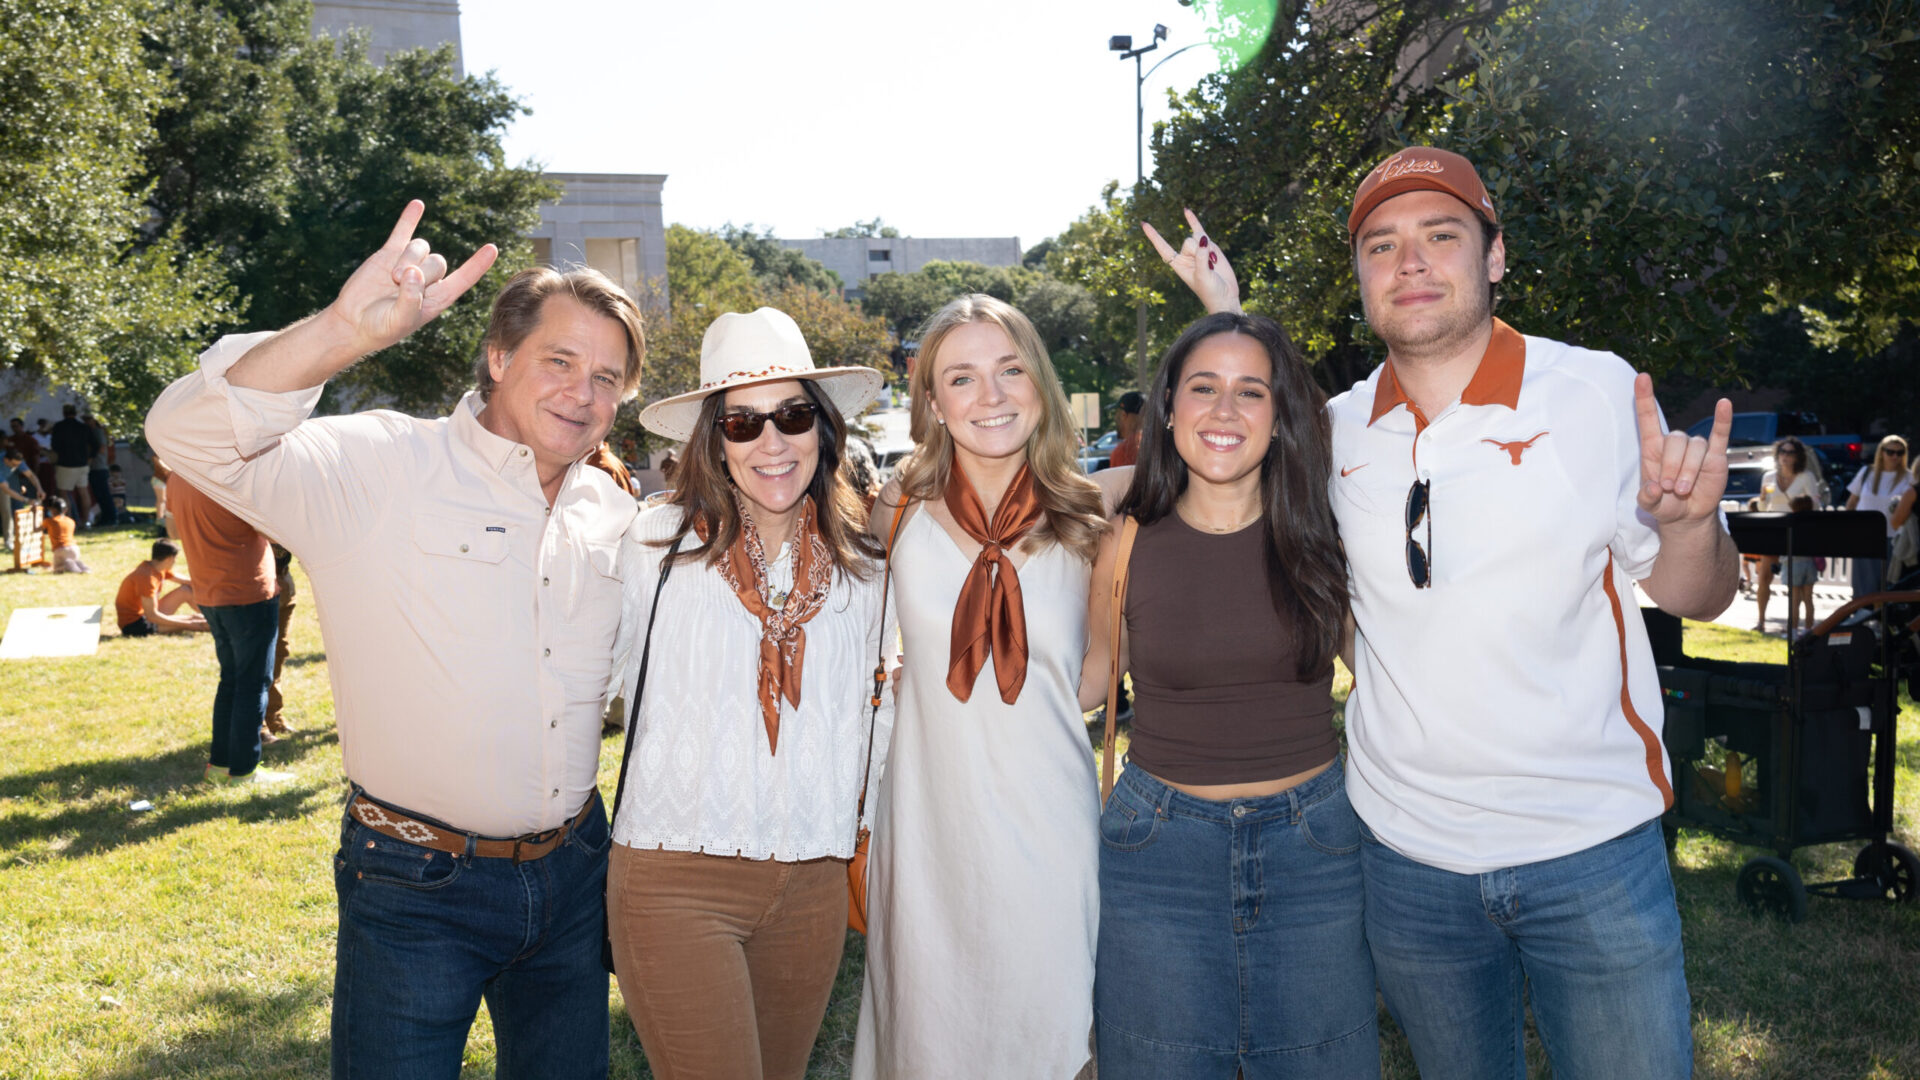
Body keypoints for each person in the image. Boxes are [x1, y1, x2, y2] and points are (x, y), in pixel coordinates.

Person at [1153, 145, 1738, 1078]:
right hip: (1405, 860)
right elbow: (1228, 425)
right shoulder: (1337, 430)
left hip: (1588, 851)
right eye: (1382, 246)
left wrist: (1693, 526)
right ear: (1361, 279)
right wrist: (1223, 312)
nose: (1411, 262)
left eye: (1441, 236)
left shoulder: (1591, 394)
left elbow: (1694, 593)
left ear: (1495, 256)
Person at [145, 200, 645, 1079]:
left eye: (608, 378)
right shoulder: (381, 465)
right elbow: (184, 434)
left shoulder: (611, 508)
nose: (583, 392)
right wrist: (342, 333)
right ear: (498, 358)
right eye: (560, 360)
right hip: (416, 885)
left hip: (574, 877)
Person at [1084, 313, 1377, 1077]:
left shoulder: (1327, 538)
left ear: (1280, 420)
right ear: (1168, 407)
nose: (1223, 411)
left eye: (1252, 392)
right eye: (1203, 388)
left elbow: (1397, 671)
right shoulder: (1124, 541)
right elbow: (1089, 678)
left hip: (1315, 850)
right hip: (1158, 857)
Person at [606, 307, 891, 1080]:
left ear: (822, 431)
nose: (772, 442)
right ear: (713, 441)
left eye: (792, 416)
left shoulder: (868, 568)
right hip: (674, 877)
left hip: (814, 880)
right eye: (743, 424)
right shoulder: (645, 547)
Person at [853, 293, 1128, 1079]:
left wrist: (1221, 308)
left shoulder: (1092, 514)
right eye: (963, 378)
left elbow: (1093, 680)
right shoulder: (897, 509)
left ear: (1040, 383)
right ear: (932, 402)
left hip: (1049, 820)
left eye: (1011, 370)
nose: (992, 396)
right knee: (935, 1031)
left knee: (1054, 1027)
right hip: (930, 821)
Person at [167, 475, 291, 786]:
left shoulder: (178, 476)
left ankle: (221, 765)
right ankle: (245, 769)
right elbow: (275, 530)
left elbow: (171, 527)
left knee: (232, 680)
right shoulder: (230, 476)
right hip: (246, 591)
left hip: (210, 591)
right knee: (252, 683)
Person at [1750, 436, 1824, 630]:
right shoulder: (1768, 477)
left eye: (1790, 452)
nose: (1785, 456)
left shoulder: (1806, 476)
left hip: (1797, 533)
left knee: (1797, 585)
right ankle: (1761, 621)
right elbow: (1764, 508)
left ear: (1798, 456)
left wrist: (1802, 503)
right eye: (1782, 451)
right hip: (1774, 531)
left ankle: (1796, 626)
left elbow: (1815, 505)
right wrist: (1762, 499)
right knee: (1764, 577)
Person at [1843, 434, 1912, 598]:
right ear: (1881, 452)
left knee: (1889, 587)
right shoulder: (1867, 472)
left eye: (1900, 453)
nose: (1895, 456)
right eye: (1890, 452)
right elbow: (1851, 503)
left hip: (1894, 538)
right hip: (1864, 537)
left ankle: (1885, 621)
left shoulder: (1909, 477)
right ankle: (1861, 620)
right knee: (1863, 588)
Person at [114, 539, 208, 636]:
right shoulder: (147, 578)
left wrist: (207, 585)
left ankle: (213, 616)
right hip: (135, 625)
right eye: (174, 559)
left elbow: (187, 582)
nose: (175, 562)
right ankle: (213, 623)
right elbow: (152, 616)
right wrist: (189, 625)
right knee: (199, 624)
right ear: (168, 559)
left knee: (190, 603)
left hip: (147, 615)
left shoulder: (156, 567)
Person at [262, 542, 299, 743]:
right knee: (261, 655)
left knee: (280, 651)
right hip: (262, 582)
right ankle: (259, 723)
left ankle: (274, 717)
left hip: (284, 580)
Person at [50, 403, 97, 526]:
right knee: (83, 492)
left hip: (65, 464)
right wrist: (90, 458)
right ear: (75, 413)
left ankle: (69, 521)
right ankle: (86, 521)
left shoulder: (59, 427)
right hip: (82, 464)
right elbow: (94, 445)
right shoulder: (83, 427)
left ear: (64, 413)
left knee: (64, 493)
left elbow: (54, 446)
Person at [1784, 493, 1819, 634]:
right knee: (1808, 599)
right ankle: (1808, 629)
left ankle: (1793, 630)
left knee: (1794, 600)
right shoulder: (1813, 524)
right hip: (1809, 564)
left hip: (1793, 564)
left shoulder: (1791, 523)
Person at [3, 447, 42, 551]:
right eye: (14, 465)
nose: (16, 467)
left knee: (7, 512)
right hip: (3, 486)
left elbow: (30, 475)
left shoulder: (18, 462)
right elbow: (6, 490)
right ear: (6, 460)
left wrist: (39, 489)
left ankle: (9, 541)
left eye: (18, 465)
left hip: (4, 485)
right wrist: (26, 500)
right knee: (6, 510)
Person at [41, 496, 89, 573]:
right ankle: (80, 565)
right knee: (72, 560)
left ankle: (69, 565)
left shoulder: (49, 521)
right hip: (74, 549)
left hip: (60, 549)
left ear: (52, 510)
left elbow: (38, 529)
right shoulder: (71, 521)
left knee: (56, 569)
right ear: (65, 510)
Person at [85, 414, 115, 526]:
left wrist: (90, 457)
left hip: (99, 467)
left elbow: (101, 448)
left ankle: (111, 517)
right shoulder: (94, 432)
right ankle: (106, 517)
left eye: (88, 419)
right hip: (96, 467)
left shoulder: (97, 431)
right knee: (99, 495)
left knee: (104, 494)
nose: (86, 422)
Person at [1105, 390, 1144, 468]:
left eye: (1116, 413)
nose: (1115, 418)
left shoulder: (1123, 452)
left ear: (1123, 415)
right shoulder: (1158, 446)